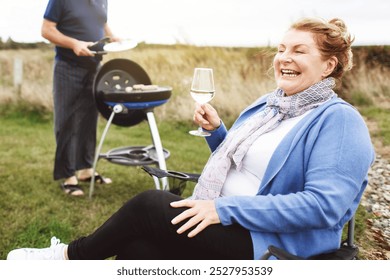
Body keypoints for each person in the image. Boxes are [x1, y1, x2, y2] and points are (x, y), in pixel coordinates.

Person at [7, 17, 375, 260]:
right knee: (137, 250)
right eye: (281, 49)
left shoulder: (339, 121)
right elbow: (245, 163)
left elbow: (324, 207)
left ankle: (67, 258)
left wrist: (223, 209)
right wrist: (218, 133)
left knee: (150, 204)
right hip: (224, 218)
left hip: (270, 242)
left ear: (329, 66)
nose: (283, 58)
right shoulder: (270, 104)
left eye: (299, 50)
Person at [41, 0, 118, 196]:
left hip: (94, 67)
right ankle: (68, 176)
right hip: (68, 67)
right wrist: (74, 43)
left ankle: (85, 170)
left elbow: (102, 23)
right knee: (66, 121)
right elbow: (47, 30)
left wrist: (113, 37)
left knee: (89, 120)